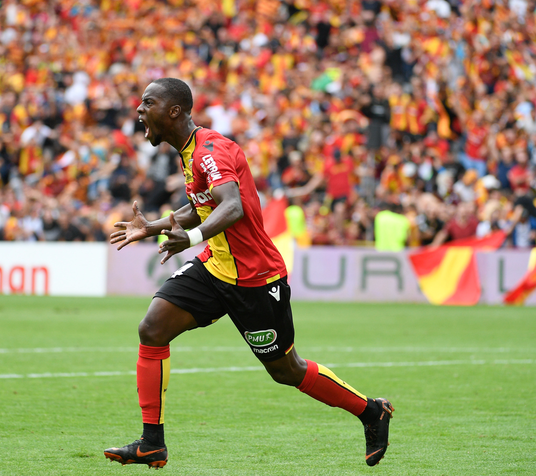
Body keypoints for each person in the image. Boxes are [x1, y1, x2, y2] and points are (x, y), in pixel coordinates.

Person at [105, 78, 394, 468]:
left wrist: (190, 238)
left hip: (256, 278)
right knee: (152, 329)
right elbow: (204, 204)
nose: (139, 110)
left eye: (147, 102)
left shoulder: (210, 151)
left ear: (173, 111)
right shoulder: (189, 152)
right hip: (215, 267)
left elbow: (232, 206)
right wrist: (154, 226)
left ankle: (371, 411)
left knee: (286, 370)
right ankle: (152, 443)